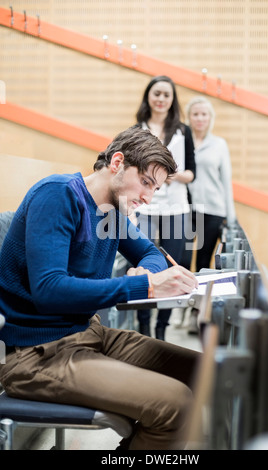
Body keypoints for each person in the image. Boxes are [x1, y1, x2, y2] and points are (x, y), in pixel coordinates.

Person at [0, 126, 201, 451]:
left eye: (156, 189)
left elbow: (151, 254)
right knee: (175, 403)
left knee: (206, 371)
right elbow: (49, 290)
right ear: (117, 162)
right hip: (35, 356)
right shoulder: (58, 194)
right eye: (146, 182)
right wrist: (144, 285)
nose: (148, 198)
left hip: (88, 334)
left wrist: (146, 272)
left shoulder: (112, 213)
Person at [135, 75, 196, 341]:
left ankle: (161, 328)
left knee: (173, 265)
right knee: (144, 264)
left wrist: (168, 175)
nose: (161, 99)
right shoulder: (137, 129)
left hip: (176, 207)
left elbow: (191, 173)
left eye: (166, 95)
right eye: (156, 93)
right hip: (145, 206)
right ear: (149, 96)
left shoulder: (183, 130)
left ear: (172, 100)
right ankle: (143, 325)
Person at [184, 96, 236, 333]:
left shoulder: (219, 144)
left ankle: (197, 313)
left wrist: (230, 216)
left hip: (213, 210)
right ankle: (182, 306)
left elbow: (226, 181)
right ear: (189, 117)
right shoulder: (182, 141)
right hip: (186, 208)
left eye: (204, 114)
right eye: (196, 114)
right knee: (183, 260)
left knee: (204, 262)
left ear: (210, 118)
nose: (200, 118)